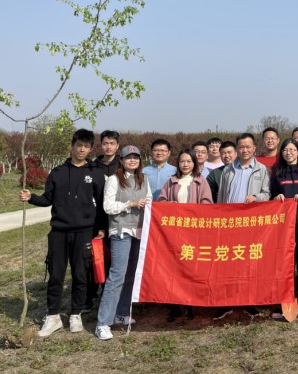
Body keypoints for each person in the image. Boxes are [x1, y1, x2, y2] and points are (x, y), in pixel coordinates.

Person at [19, 129, 106, 338]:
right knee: (56, 274)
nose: (82, 149)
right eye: (79, 145)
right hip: (58, 232)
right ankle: (53, 317)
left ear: (90, 149)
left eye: (86, 146)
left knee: (80, 274)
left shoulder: (95, 172)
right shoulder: (57, 172)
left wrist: (101, 227)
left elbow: (102, 203)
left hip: (84, 232)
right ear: (72, 146)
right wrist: (31, 197)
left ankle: (76, 314)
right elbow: (47, 199)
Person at [94, 145, 151, 340]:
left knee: (131, 274)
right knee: (117, 275)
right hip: (121, 231)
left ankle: (121, 313)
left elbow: (149, 201)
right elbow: (108, 206)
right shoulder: (114, 180)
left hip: (139, 232)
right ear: (122, 160)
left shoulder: (143, 179)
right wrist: (131, 204)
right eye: (128, 157)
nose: (132, 160)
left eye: (136, 157)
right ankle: (103, 322)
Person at [214, 133, 271, 319]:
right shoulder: (228, 170)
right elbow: (221, 197)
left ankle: (249, 302)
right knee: (228, 263)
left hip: (250, 224)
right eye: (241, 147)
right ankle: (227, 302)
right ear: (236, 149)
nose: (244, 150)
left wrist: (256, 197)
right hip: (230, 224)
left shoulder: (261, 170)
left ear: (254, 148)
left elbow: (267, 194)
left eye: (248, 147)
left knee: (249, 263)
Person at [158, 148, 214, 321]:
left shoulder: (201, 181)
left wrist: (193, 211)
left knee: (190, 268)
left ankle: (190, 304)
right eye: (182, 161)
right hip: (173, 233)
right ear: (178, 163)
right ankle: (174, 306)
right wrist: (170, 205)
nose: (185, 164)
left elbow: (207, 203)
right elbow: (161, 202)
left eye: (189, 161)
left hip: (193, 232)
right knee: (173, 268)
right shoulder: (171, 181)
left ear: (194, 163)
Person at [270, 139, 298, 318]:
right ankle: (281, 298)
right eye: (285, 150)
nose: (288, 153)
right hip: (282, 224)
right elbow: (271, 195)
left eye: (292, 149)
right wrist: (276, 197)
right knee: (283, 263)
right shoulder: (277, 173)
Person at [83, 129, 120, 314]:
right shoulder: (92, 166)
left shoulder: (123, 165)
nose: (108, 147)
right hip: (97, 220)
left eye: (112, 143)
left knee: (113, 260)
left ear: (117, 146)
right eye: (105, 143)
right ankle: (89, 297)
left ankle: (109, 296)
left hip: (117, 221)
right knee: (94, 260)